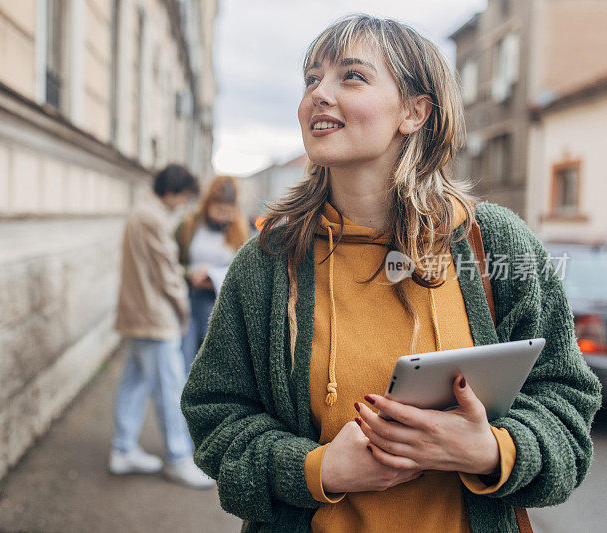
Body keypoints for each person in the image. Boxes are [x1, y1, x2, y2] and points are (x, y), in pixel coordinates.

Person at [181, 15, 602, 532]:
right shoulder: (270, 259)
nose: (319, 94)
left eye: (350, 76)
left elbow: (567, 403)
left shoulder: (493, 244)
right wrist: (317, 469)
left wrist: (493, 449)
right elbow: (214, 415)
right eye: (312, 79)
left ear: (414, 111)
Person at [111, 164, 214, 489]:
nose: (183, 203)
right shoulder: (152, 217)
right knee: (170, 389)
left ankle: (123, 448)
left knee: (135, 382)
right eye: (184, 196)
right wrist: (183, 312)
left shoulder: (141, 212)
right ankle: (177, 457)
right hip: (155, 318)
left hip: (141, 314)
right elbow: (167, 274)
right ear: (172, 191)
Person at [176, 175, 250, 371]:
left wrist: (214, 278)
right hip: (188, 298)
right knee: (185, 353)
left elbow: (243, 268)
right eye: (218, 210)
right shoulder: (190, 225)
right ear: (207, 204)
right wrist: (189, 275)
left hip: (218, 301)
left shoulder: (238, 230)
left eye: (227, 212)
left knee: (212, 358)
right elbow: (172, 260)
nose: (222, 216)